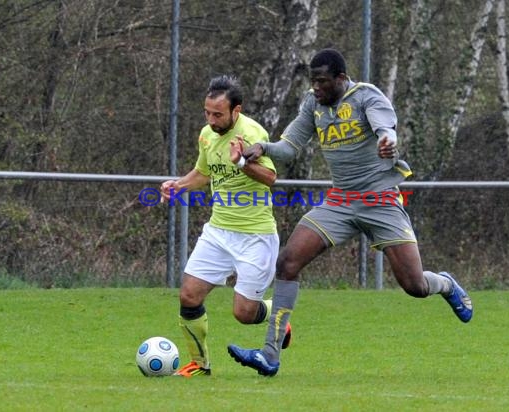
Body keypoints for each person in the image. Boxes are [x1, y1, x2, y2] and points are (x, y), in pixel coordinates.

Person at [227, 48, 473, 377]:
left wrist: (387, 141)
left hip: (380, 200)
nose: (316, 87)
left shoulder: (366, 97)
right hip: (340, 201)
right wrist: (262, 148)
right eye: (313, 81)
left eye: (323, 81)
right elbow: (289, 148)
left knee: (414, 285)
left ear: (342, 79)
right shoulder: (312, 103)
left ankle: (444, 284)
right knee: (287, 263)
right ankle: (270, 355)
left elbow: (387, 130)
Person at [160, 75, 291, 378]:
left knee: (244, 314)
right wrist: (178, 185)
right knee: (189, 295)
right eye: (207, 112)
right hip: (218, 231)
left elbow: (271, 178)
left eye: (217, 114)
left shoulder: (251, 132)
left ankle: (278, 318)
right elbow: (204, 172)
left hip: (255, 236)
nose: (211, 119)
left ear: (236, 110)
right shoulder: (207, 134)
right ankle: (199, 363)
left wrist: (243, 163)